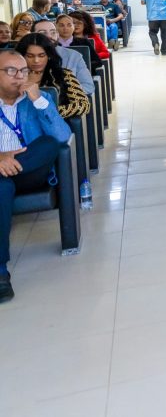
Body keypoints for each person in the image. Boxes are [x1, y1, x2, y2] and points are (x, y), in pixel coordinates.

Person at [0, 49, 73, 304]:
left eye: (23, 71)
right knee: (2, 187)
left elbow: (62, 136)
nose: (19, 76)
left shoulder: (37, 99)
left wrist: (39, 101)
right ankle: (0, 273)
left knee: (49, 144)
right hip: (2, 177)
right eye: (11, 71)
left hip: (31, 170)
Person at [16, 34, 90, 119]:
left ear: (49, 56)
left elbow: (83, 104)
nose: (36, 61)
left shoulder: (63, 75)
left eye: (41, 55)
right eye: (30, 56)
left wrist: (48, 111)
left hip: (52, 126)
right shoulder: (11, 76)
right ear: (21, 56)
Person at [33, 20, 94, 97]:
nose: (49, 36)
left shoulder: (74, 56)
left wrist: (62, 93)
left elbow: (88, 86)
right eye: (43, 33)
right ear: (31, 36)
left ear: (58, 35)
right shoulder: (22, 58)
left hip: (66, 104)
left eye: (53, 32)